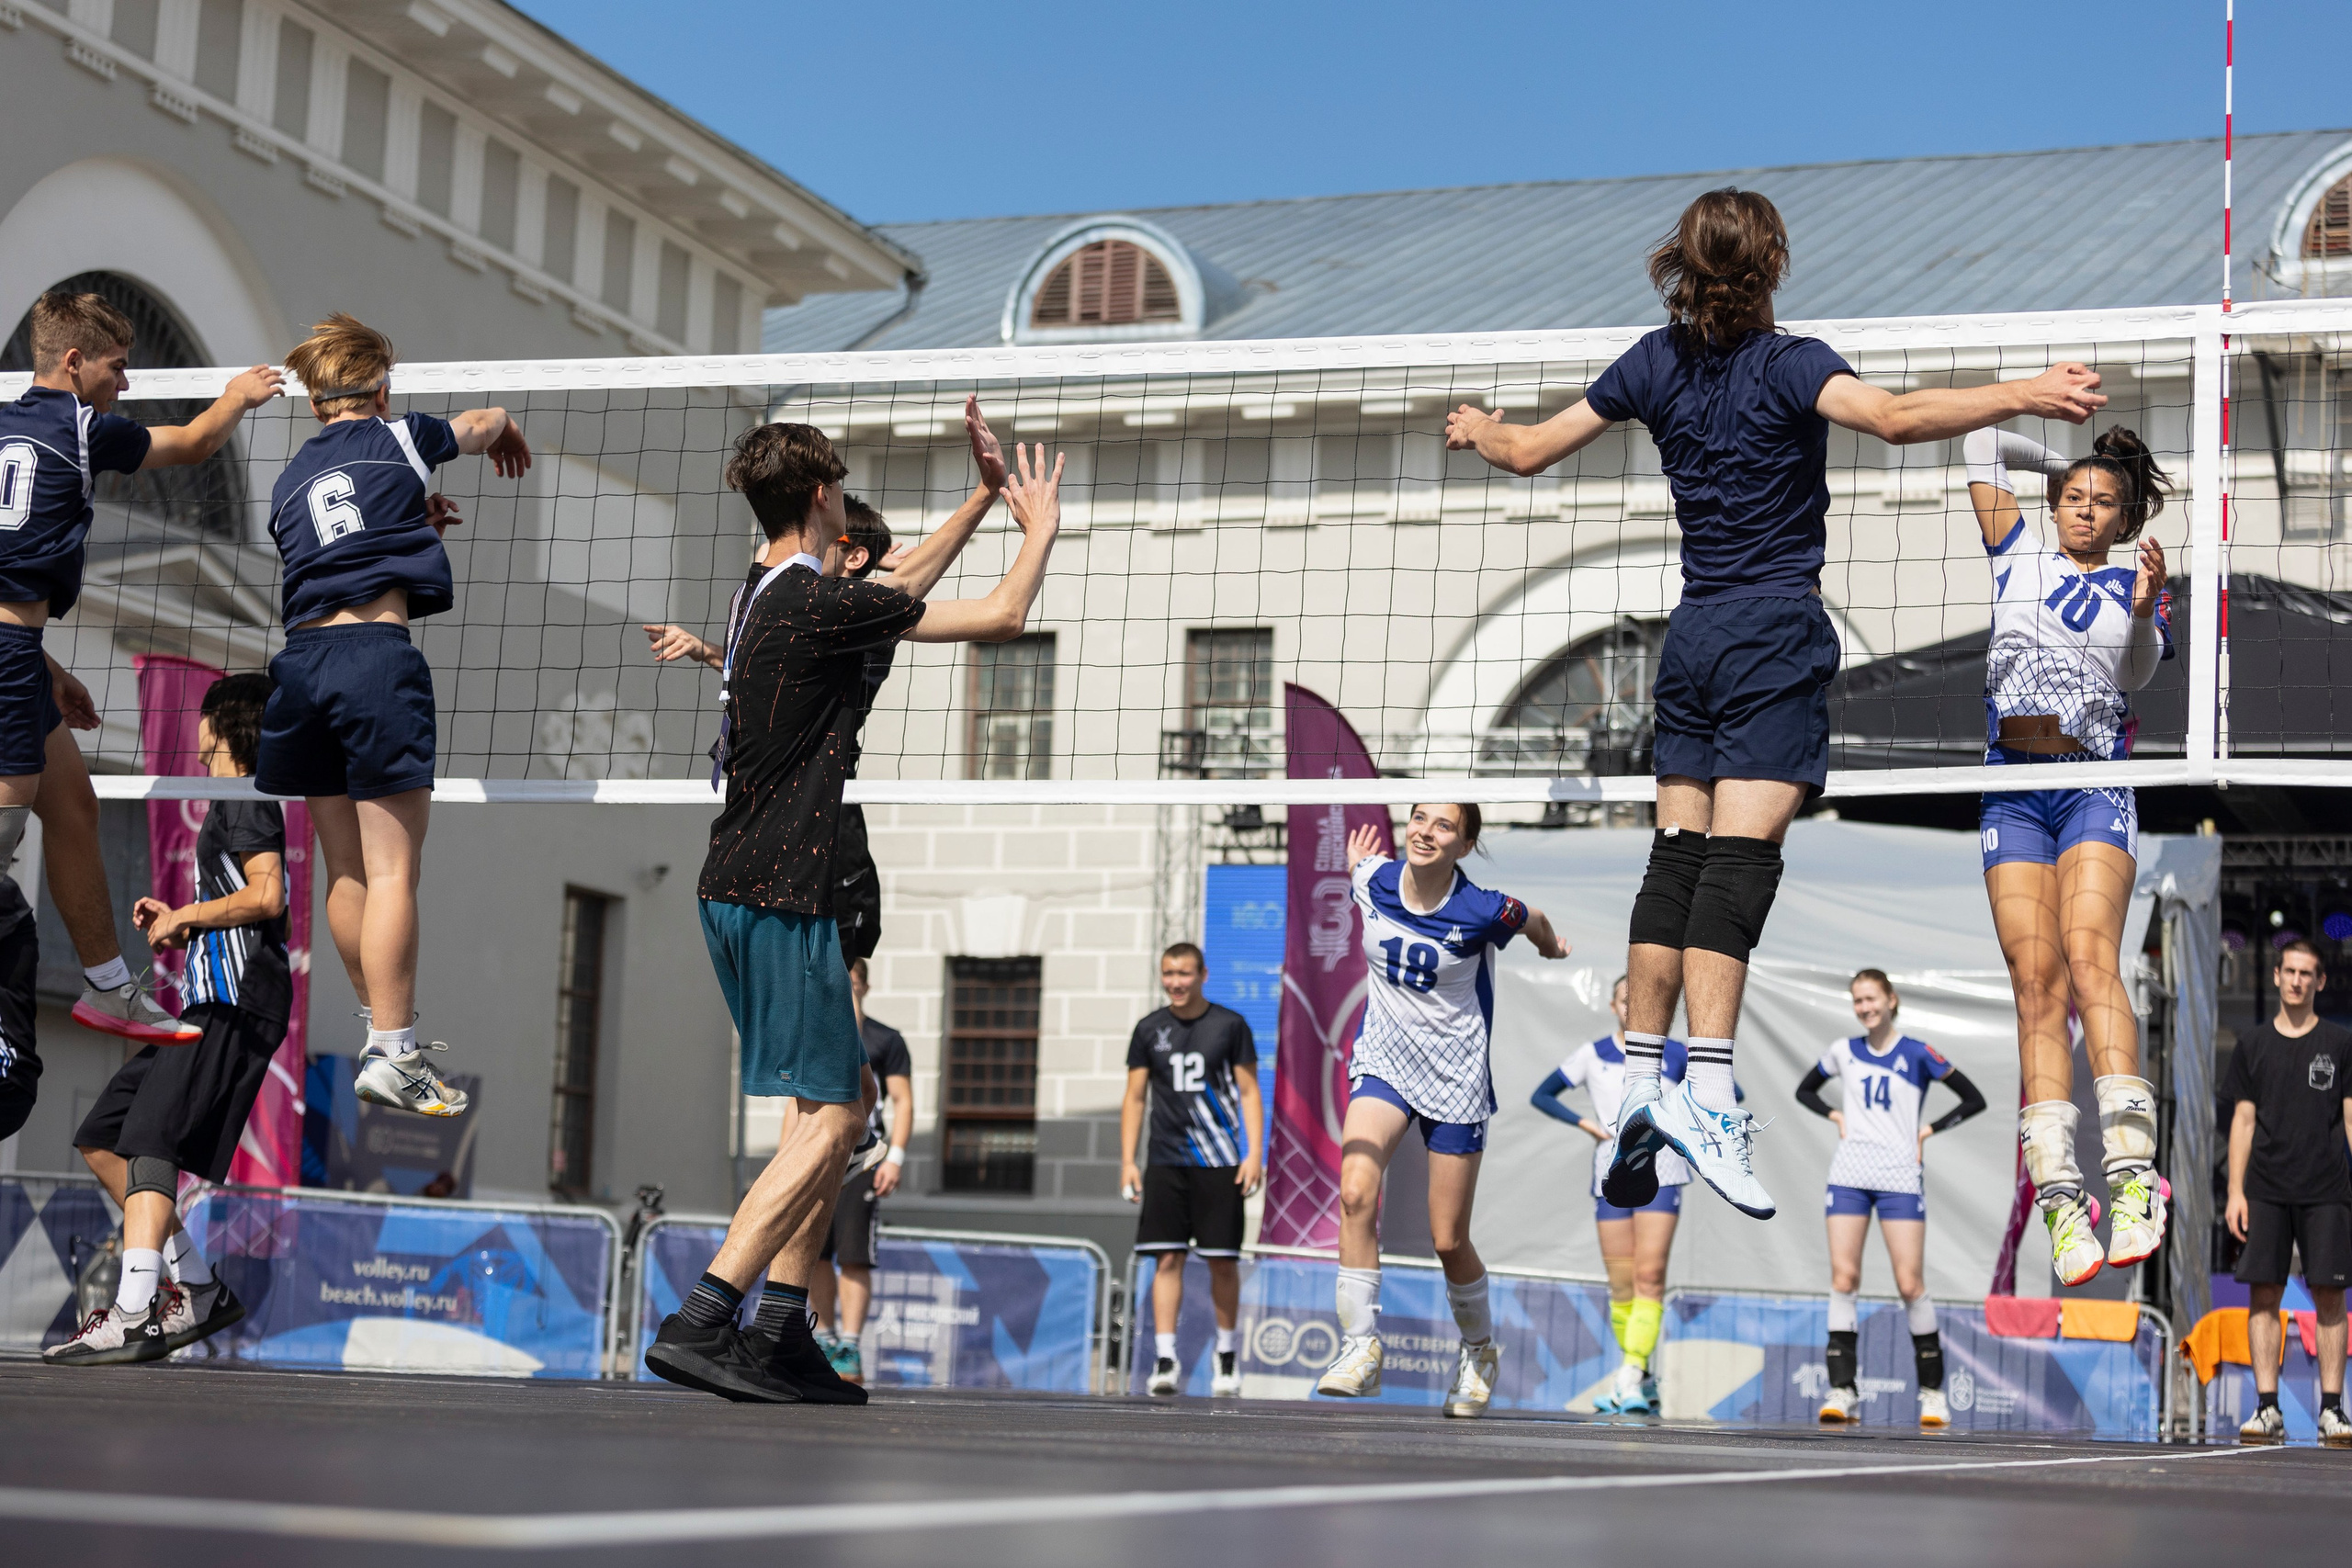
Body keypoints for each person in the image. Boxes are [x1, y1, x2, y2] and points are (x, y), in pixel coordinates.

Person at [1446, 188, 2106, 1221]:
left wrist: (1481, 426)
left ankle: (1640, 1084)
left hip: (1692, 637)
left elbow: (1526, 451)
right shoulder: (1791, 363)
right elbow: (1892, 420)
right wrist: (2025, 390)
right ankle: (1706, 1093)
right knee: (1737, 866)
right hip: (1767, 633)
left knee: (1677, 858)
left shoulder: (1650, 364)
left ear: (1680, 264)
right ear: (1771, 265)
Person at [641, 420, 1062, 1406]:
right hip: (780, 886)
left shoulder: (764, 588)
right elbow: (999, 615)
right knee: (833, 1120)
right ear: (825, 499)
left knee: (830, 1112)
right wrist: (1036, 525)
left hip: (748, 883)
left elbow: (896, 572)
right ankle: (704, 1317)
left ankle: (781, 1329)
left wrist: (975, 497)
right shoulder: (816, 607)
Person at [258, 314, 529, 1118]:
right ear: (379, 390)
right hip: (373, 662)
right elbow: (478, 426)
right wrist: (506, 422)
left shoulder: (286, 483)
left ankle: (384, 1032)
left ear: (315, 405)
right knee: (393, 873)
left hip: (299, 668)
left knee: (346, 873)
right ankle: (395, 1049)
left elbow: (336, 547)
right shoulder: (399, 434)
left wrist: (410, 527)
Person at [0, 289, 281, 1047]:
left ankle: (108, 987)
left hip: (20, 653)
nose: (124, 384)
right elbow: (191, 445)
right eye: (117, 369)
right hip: (5, 655)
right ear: (72, 361)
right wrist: (237, 397)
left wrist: (50, 666)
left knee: (74, 808)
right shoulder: (83, 430)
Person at [1962, 423, 2174, 1285]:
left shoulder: (2134, 578)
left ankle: (2131, 1179)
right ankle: (2059, 1195)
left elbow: (2136, 677)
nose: (2085, 510)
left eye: (2103, 502)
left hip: (2092, 780)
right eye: (2074, 500)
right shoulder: (2016, 549)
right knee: (2034, 981)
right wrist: (2077, 467)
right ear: (2055, 505)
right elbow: (1981, 443)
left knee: (2092, 964)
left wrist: (2142, 610)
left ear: (2123, 521)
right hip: (2012, 783)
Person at [48, 675, 288, 1364]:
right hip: (206, 995)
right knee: (105, 1136)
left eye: (204, 716)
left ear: (223, 722)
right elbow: (244, 900)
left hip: (236, 1002)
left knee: (152, 1136)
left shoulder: (246, 798)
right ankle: (202, 1288)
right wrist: (185, 925)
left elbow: (267, 894)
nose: (196, 728)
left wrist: (187, 915)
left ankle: (133, 1309)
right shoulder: (227, 803)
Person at [1316, 804, 1569, 1417]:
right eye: (1419, 818)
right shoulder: (1374, 880)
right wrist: (1355, 862)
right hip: (1385, 1061)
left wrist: (1549, 943)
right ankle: (1359, 1347)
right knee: (1354, 1192)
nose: (1426, 832)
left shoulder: (1483, 909)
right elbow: (1361, 868)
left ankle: (1479, 1349)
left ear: (1466, 843)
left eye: (1444, 826)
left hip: (1455, 1075)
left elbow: (1530, 916)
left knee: (1447, 1237)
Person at [1792, 969, 1986, 1427]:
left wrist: (1931, 1129)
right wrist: (1835, 1114)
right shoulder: (1844, 1051)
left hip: (1900, 1176)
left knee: (1910, 1284)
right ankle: (1842, 1389)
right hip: (1849, 1175)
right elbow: (1804, 1090)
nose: (1864, 1008)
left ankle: (1933, 1394)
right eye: (1857, 1001)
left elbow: (1972, 1098)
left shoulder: (1918, 1053)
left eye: (1871, 999)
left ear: (1891, 1000)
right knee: (1844, 1278)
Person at [1532, 975, 1692, 1416]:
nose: (1633, 1007)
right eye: (1627, 1000)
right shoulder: (1594, 1053)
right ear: (1613, 1005)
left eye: (1642, 1000)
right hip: (1611, 1171)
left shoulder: (1677, 1053)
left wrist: (1679, 1122)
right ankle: (1638, 1375)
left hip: (1664, 1170)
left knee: (1650, 1276)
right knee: (1622, 1283)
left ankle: (1630, 1374)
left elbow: (1725, 1092)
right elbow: (1542, 1094)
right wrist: (1587, 1125)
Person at [2222, 939, 2352, 1446]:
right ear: (2276, 976)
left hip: (2326, 1189)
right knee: (2263, 1296)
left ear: (2320, 982)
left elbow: (2349, 1115)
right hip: (2267, 1190)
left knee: (2330, 1295)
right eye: (2290, 971)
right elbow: (2243, 1120)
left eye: (2307, 974)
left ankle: (2333, 1410)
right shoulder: (2252, 1045)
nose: (2297, 980)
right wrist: (2235, 1191)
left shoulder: (2341, 1043)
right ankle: (2267, 1407)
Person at [1120, 942, 1262, 1399]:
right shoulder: (1149, 1029)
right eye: (1168, 974)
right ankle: (1166, 1357)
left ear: (1203, 974)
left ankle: (1225, 1354)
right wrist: (1127, 1161)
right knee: (1167, 1257)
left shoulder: (1230, 1025)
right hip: (1165, 1160)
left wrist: (1254, 1153)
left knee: (1222, 1260)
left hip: (1219, 1161)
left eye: (1184, 973)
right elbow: (1135, 1098)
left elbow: (1250, 1092)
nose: (1175, 982)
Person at [808, 954, 913, 1383]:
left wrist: (896, 1157)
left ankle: (849, 1345)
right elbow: (796, 1104)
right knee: (812, 1251)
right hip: (817, 1157)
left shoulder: (885, 1040)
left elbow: (902, 1100)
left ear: (864, 986)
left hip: (864, 1158)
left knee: (854, 1257)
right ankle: (825, 1338)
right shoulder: (814, 1035)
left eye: (851, 983)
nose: (846, 989)